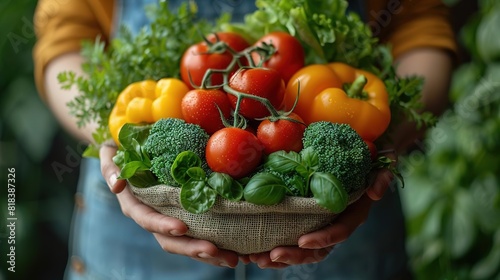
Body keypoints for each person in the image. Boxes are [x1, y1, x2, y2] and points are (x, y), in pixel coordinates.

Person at [34, 0, 457, 279]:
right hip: (134, 241)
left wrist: (381, 145)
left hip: (344, 237)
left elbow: (419, 25)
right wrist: (114, 140)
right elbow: (64, 35)